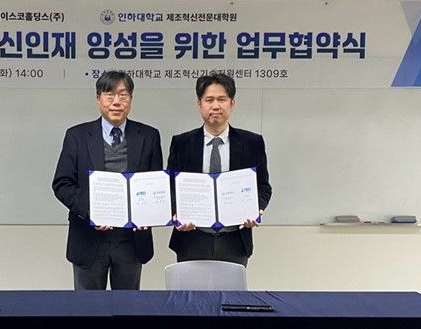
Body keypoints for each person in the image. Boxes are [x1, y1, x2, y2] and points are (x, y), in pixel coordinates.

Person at [52, 71, 162, 290]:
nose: (116, 102)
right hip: (88, 239)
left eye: (123, 95)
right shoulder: (77, 136)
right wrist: (92, 211)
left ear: (131, 98)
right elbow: (62, 183)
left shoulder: (148, 136)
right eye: (109, 95)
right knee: (88, 308)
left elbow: (156, 183)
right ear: (98, 99)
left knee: (128, 307)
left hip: (131, 242)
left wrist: (148, 213)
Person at [167, 73, 272, 266]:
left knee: (231, 287)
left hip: (235, 240)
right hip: (191, 238)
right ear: (199, 105)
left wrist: (256, 209)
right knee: (191, 287)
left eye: (222, 99)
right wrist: (177, 214)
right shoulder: (182, 143)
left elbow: (263, 187)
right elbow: (171, 186)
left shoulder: (252, 142)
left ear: (232, 104)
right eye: (209, 100)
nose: (215, 106)